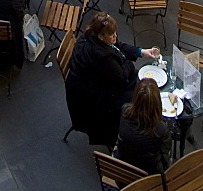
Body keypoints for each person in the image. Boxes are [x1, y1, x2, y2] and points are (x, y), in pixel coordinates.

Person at [65, 12, 160, 148]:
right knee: (136, 93)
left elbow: (118, 46)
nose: (115, 36)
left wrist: (141, 52)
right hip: (93, 99)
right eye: (111, 34)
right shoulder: (101, 56)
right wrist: (128, 61)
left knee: (138, 82)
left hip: (95, 82)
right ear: (101, 36)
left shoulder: (92, 36)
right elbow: (122, 76)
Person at [116, 78, 172, 174]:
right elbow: (165, 152)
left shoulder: (125, 110)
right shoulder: (162, 129)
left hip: (124, 170)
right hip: (149, 176)